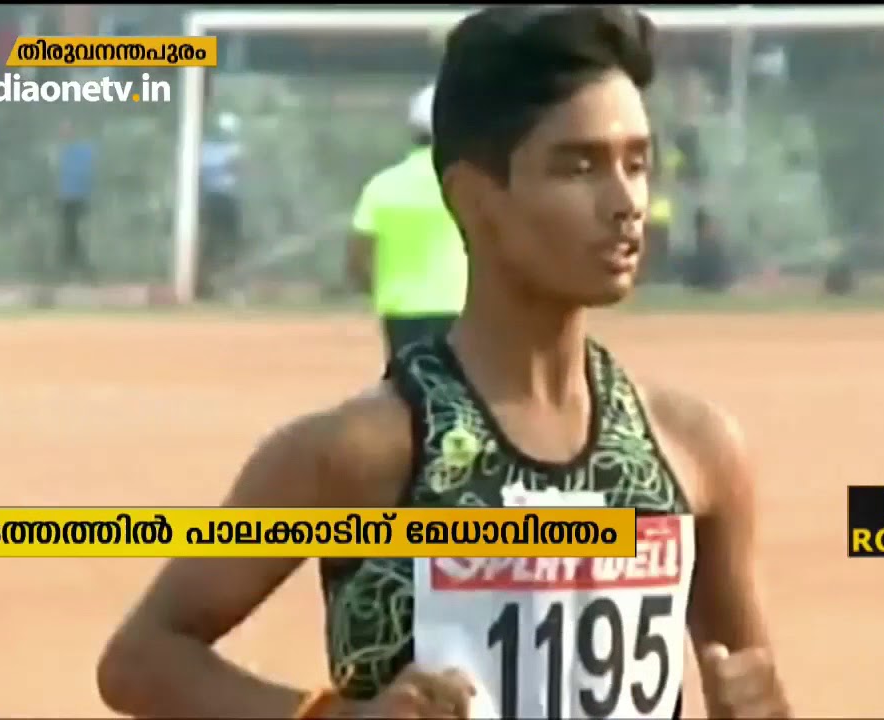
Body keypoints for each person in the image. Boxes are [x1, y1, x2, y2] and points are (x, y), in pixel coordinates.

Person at [96, 6, 789, 720]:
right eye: (579, 166)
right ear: (475, 199)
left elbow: (757, 691)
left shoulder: (696, 452)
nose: (626, 203)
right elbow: (144, 657)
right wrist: (336, 717)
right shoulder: (358, 455)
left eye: (637, 163)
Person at [347, 83, 468, 359]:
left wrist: (376, 290)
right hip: (463, 307)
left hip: (400, 311)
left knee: (409, 389)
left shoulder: (382, 185)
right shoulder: (469, 184)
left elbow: (357, 260)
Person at [198, 111, 244, 299]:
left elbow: (240, 169)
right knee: (215, 241)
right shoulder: (209, 149)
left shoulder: (209, 149)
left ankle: (224, 282)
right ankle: (207, 282)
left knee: (226, 241)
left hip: (222, 198)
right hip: (216, 198)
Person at [56, 120, 96, 283]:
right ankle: (77, 269)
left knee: (73, 236)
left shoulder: (82, 151)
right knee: (69, 236)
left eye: (67, 131)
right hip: (66, 200)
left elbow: (86, 175)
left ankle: (78, 269)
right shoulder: (62, 152)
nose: (64, 135)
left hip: (78, 199)